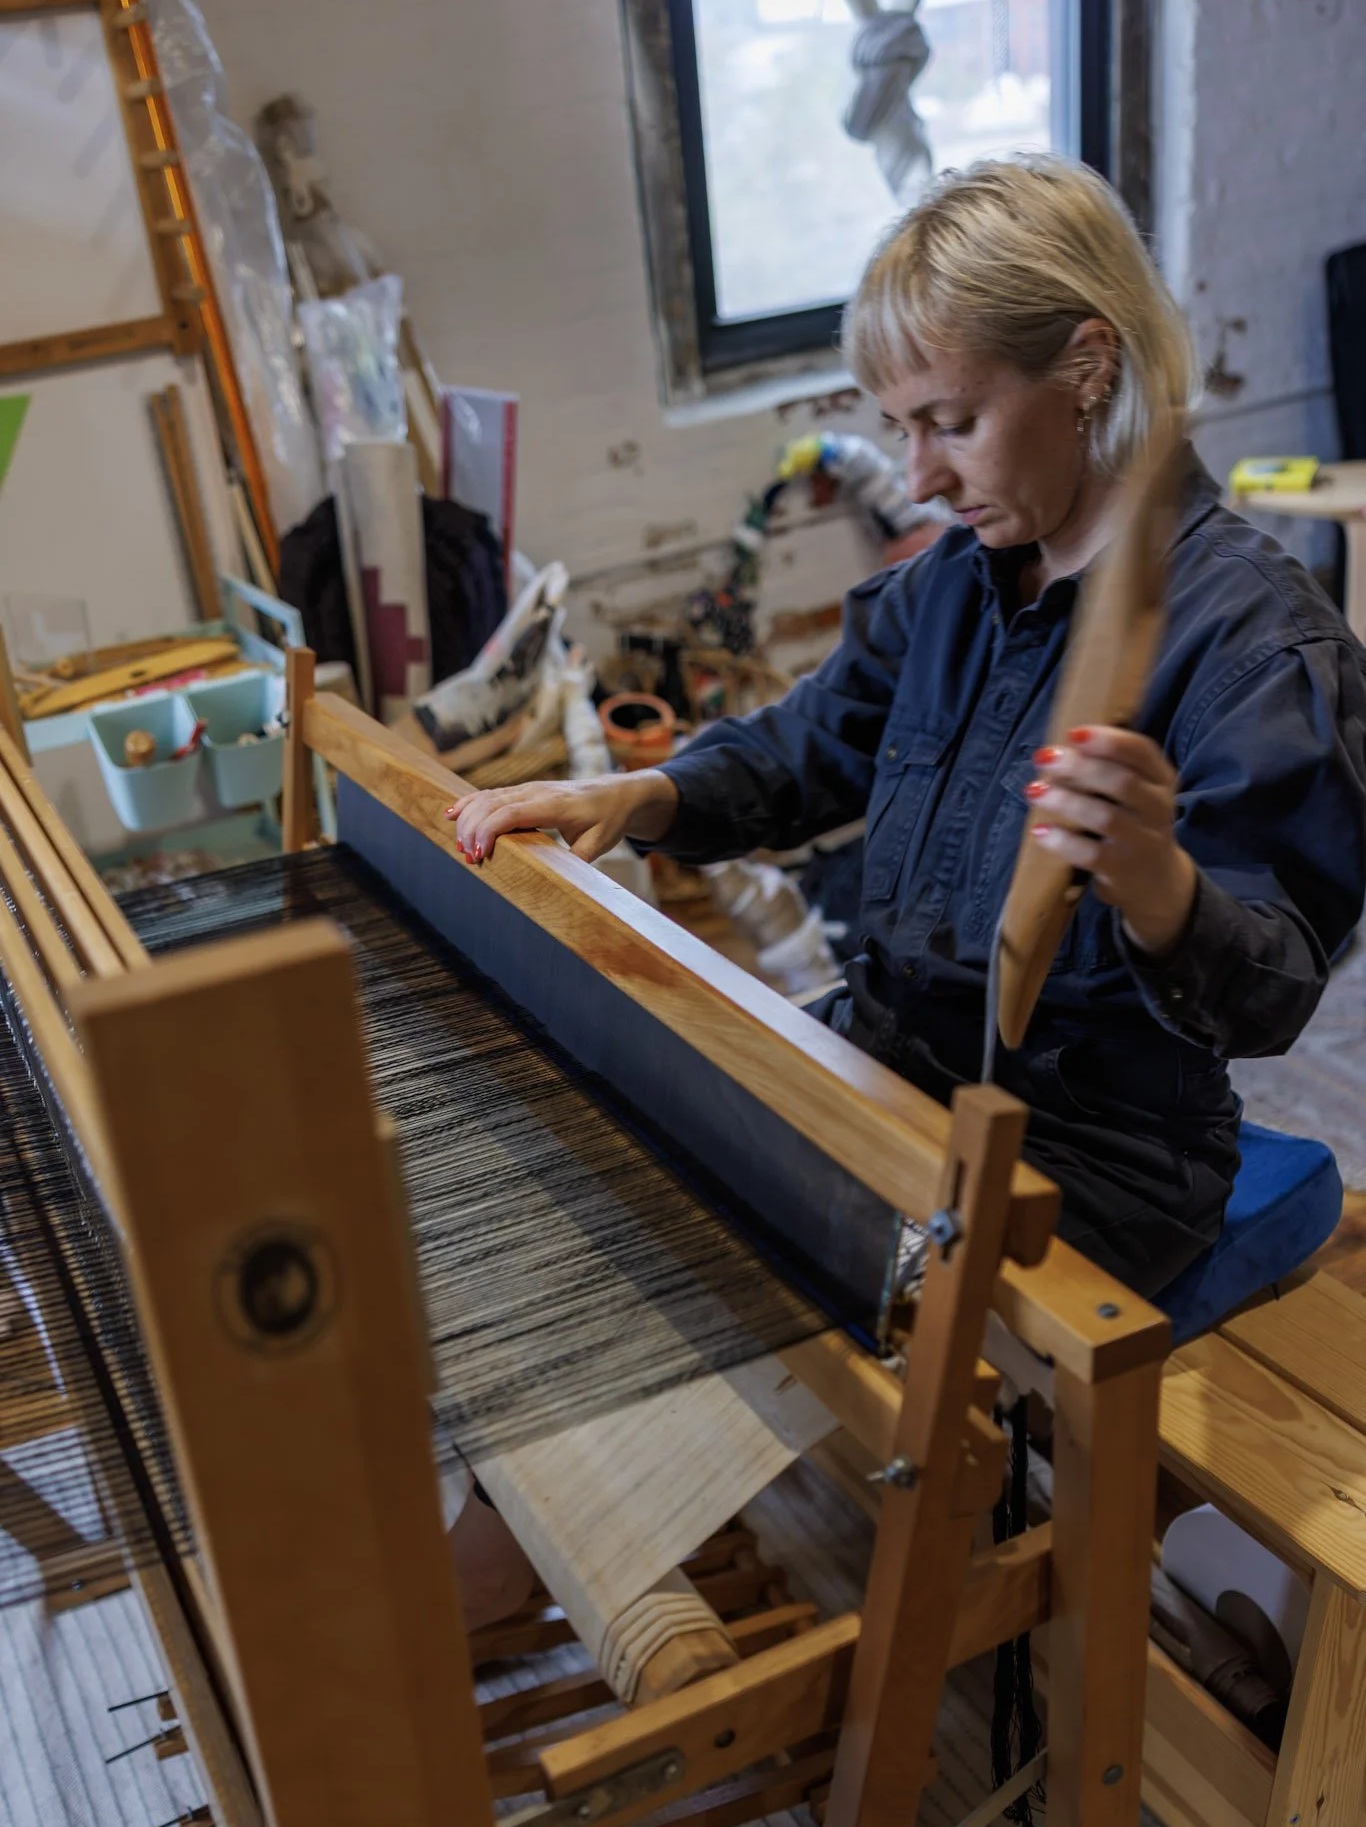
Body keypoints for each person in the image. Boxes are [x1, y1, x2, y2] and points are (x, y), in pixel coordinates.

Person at [448, 154, 1366, 1300]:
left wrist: (1153, 879)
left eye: (952, 422)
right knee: (626, 1193)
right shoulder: (955, 583)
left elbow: (1274, 990)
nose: (921, 477)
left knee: (812, 1312)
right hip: (889, 1063)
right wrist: (640, 797)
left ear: (1087, 366)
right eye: (900, 427)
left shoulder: (1260, 646)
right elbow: (807, 744)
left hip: (1093, 1156)